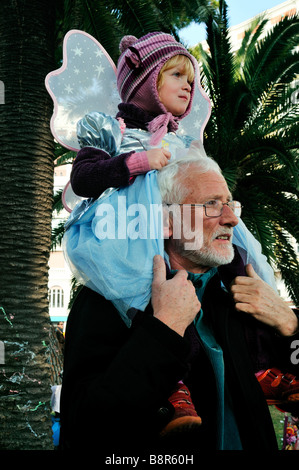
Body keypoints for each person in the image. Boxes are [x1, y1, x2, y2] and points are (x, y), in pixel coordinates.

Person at [59, 151, 299, 452]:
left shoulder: (239, 293)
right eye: (211, 205)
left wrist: (291, 326)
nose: (231, 218)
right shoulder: (108, 300)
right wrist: (163, 330)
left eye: (229, 203)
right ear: (165, 222)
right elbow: (86, 428)